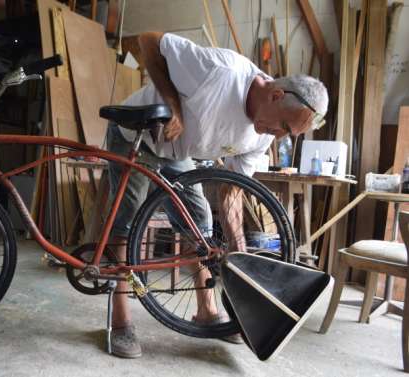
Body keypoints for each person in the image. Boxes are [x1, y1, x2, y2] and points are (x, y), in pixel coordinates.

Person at [106, 31, 329, 358]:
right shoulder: (221, 72)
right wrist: (174, 105)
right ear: (276, 94)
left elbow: (231, 192)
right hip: (138, 134)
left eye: (289, 134)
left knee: (200, 222)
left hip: (178, 151)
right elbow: (150, 41)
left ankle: (206, 309)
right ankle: (120, 321)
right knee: (125, 225)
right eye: (284, 127)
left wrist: (239, 257)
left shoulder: (261, 137)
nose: (280, 137)